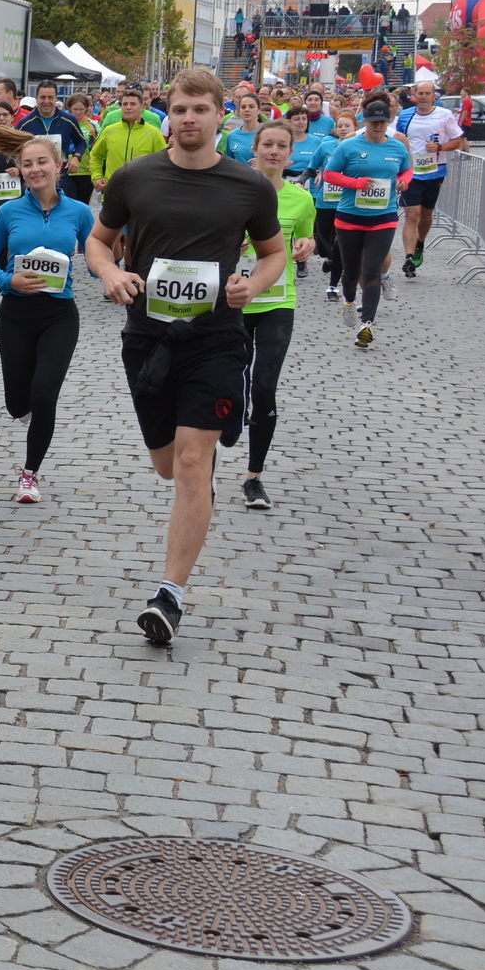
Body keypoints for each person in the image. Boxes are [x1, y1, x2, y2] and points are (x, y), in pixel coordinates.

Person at [84, 68, 285, 646]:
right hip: (148, 339)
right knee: (168, 464)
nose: (189, 118)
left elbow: (272, 254)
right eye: (179, 109)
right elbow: (98, 241)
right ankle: (198, 478)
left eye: (200, 109)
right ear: (167, 115)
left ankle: (168, 595)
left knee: (194, 463)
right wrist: (110, 272)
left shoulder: (250, 186)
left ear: (221, 113)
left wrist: (255, 284)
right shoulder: (135, 177)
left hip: (216, 337)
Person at [0, 136, 93, 504]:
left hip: (59, 316)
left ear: (58, 166)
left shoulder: (79, 212)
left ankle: (30, 474)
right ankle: (30, 413)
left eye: (42, 162)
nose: (35, 169)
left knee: (44, 394)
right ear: (20, 170)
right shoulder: (9, 212)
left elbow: (97, 262)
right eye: (27, 164)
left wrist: (117, 246)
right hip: (16, 314)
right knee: (17, 404)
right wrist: (8, 281)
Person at [240, 121, 315, 511]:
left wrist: (306, 245)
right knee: (230, 386)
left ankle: (254, 478)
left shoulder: (301, 199)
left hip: (277, 302)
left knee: (264, 387)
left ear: (290, 154)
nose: (273, 151)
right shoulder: (234, 191)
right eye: (267, 143)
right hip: (234, 302)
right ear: (254, 149)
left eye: (281, 146)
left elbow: (307, 237)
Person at [322, 92, 413, 349]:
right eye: (374, 122)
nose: (378, 126)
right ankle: (349, 301)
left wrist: (404, 181)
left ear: (388, 121)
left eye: (382, 122)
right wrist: (357, 183)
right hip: (350, 218)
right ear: (366, 121)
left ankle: (367, 325)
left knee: (372, 270)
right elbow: (330, 174)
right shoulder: (349, 146)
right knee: (351, 272)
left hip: (383, 218)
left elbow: (407, 169)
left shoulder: (397, 147)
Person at [395, 80, 466, 277]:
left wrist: (439, 147)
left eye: (428, 94)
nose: (424, 97)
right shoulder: (406, 116)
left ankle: (420, 244)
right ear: (415, 95)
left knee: (426, 215)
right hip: (411, 172)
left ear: (434, 96)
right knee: (412, 214)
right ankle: (409, 257)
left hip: (435, 172)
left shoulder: (444, 115)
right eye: (421, 93)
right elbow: (398, 140)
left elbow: (457, 142)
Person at [307, 113, 359, 300]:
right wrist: (304, 179)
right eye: (340, 126)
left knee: (339, 244)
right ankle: (329, 257)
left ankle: (333, 284)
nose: (343, 129)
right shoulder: (326, 146)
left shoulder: (359, 148)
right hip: (325, 201)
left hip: (347, 204)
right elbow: (312, 167)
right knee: (323, 247)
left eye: (347, 126)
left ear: (356, 128)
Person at [21, 81, 92, 203]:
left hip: (61, 179)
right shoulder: (25, 123)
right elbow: (16, 149)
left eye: (50, 97)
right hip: (36, 178)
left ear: (56, 98)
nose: (46, 101)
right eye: (43, 97)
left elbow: (81, 142)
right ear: (37, 98)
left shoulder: (68, 120)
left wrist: (76, 157)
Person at [89, 91, 167, 194]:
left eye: (133, 104)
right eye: (125, 104)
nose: (128, 107)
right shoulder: (109, 131)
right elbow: (95, 155)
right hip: (112, 191)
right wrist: (97, 177)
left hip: (142, 193)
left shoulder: (154, 133)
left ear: (142, 107)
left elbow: (164, 162)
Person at [219, 93, 263, 165]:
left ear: (259, 110)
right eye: (243, 107)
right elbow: (229, 163)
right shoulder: (232, 136)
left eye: (251, 107)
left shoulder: (267, 133)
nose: (247, 110)